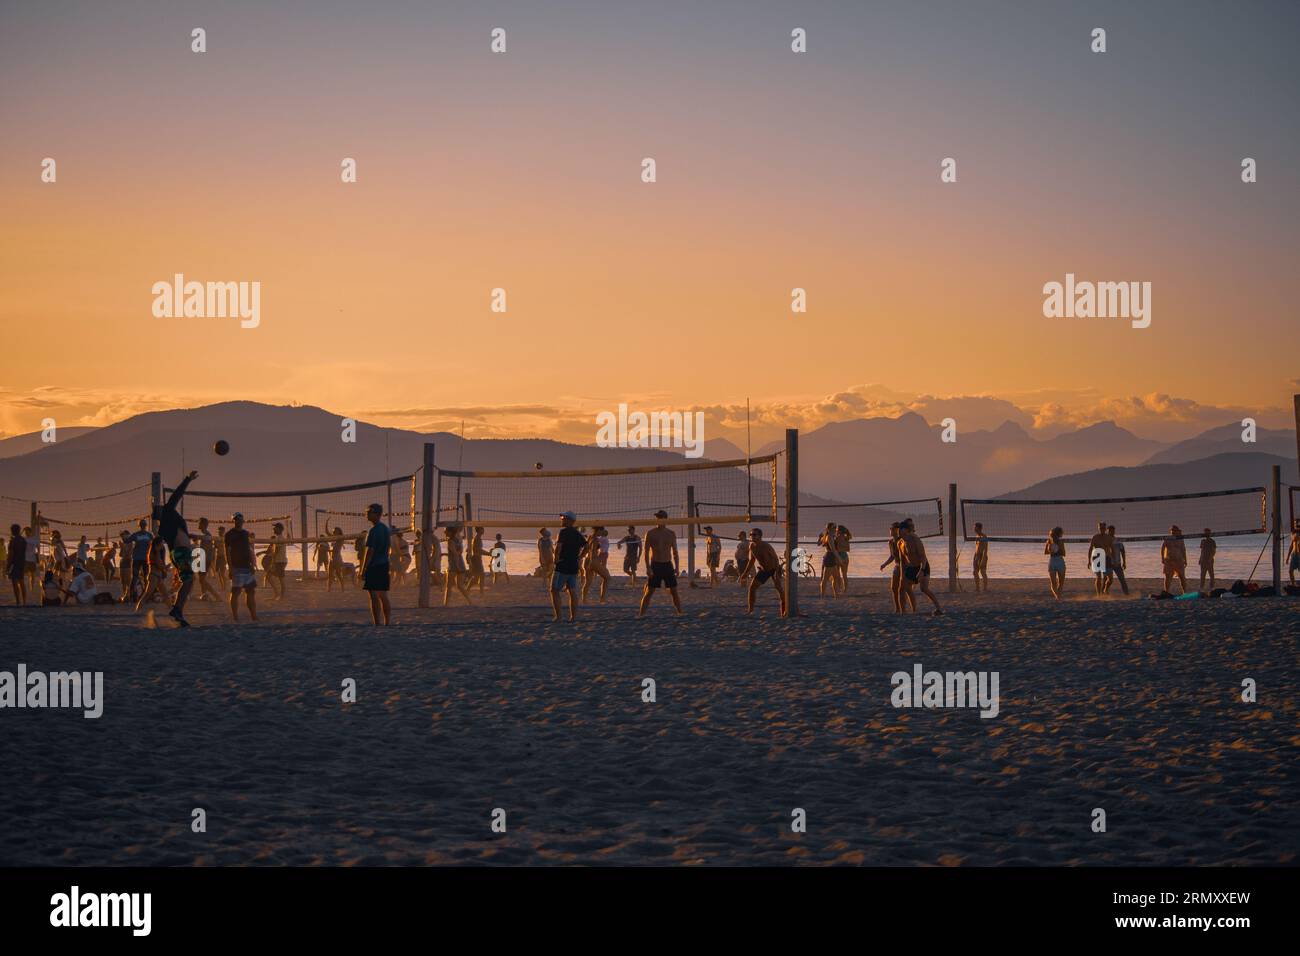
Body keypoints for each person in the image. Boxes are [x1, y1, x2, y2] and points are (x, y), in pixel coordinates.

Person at [153, 469, 200, 625]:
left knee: (189, 580)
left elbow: (176, 536)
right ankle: (177, 609)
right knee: (188, 580)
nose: (160, 507)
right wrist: (188, 479)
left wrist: (189, 536)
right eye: (158, 508)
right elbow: (177, 494)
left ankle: (178, 609)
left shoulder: (164, 527)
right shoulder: (167, 512)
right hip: (180, 553)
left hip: (178, 553)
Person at [639, 510, 682, 617]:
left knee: (674, 591)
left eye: (661, 517)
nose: (659, 519)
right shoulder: (650, 533)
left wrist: (677, 568)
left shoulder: (671, 534)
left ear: (665, 519)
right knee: (649, 591)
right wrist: (648, 568)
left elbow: (675, 552)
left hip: (667, 564)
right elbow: (646, 552)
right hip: (656, 565)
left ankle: (680, 613)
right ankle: (641, 614)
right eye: (657, 517)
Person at [738, 527, 786, 615]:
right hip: (764, 570)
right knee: (752, 588)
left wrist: (776, 574)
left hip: (774, 568)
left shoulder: (766, 546)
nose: (752, 536)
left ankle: (785, 609)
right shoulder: (751, 546)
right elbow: (752, 561)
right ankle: (750, 610)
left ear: (760, 536)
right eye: (751, 534)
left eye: (754, 535)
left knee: (779, 588)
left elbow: (775, 559)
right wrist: (745, 573)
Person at [898, 518, 941, 615]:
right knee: (904, 587)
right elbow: (902, 561)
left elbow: (923, 557)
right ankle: (907, 611)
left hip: (922, 565)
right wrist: (902, 574)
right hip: (911, 567)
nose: (900, 532)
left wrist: (922, 570)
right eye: (899, 530)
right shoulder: (900, 543)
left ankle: (938, 608)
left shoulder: (915, 539)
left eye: (902, 529)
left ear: (906, 530)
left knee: (924, 589)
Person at [549, 512, 585, 621]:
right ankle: (573, 617)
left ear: (569, 520)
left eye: (563, 518)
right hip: (573, 566)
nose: (561, 519)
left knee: (554, 590)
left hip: (563, 565)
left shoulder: (563, 532)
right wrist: (579, 557)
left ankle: (558, 617)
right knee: (572, 591)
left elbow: (558, 547)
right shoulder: (578, 534)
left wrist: (555, 559)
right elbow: (587, 546)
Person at [360, 503, 391, 625]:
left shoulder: (373, 531)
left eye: (369, 512)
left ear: (376, 514)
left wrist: (363, 569)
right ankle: (387, 623)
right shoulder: (385, 529)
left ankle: (377, 623)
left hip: (374, 566)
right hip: (384, 564)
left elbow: (370, 551)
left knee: (373, 595)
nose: (366, 514)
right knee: (383, 595)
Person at [224, 512, 258, 622]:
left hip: (247, 567)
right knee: (236, 592)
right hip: (236, 568)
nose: (237, 521)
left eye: (239, 519)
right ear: (233, 521)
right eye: (235, 519)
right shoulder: (229, 534)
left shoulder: (245, 533)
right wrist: (230, 568)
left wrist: (253, 564)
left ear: (242, 521)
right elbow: (227, 552)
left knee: (251, 592)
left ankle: (253, 616)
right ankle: (235, 617)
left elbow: (249, 550)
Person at [442, 525, 473, 606]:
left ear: (451, 532)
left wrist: (457, 566)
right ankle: (470, 601)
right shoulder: (459, 540)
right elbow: (460, 552)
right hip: (461, 563)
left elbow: (455, 554)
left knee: (449, 586)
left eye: (446, 531)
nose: (445, 532)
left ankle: (446, 604)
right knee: (460, 586)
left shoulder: (450, 541)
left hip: (454, 565)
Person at [193, 517, 221, 602]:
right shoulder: (205, 535)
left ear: (204, 525)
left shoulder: (207, 535)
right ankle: (204, 594)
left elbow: (207, 549)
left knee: (202, 579)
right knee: (202, 579)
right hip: (204, 559)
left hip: (205, 559)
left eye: (200, 523)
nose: (198, 525)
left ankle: (216, 596)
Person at [881, 522, 907, 612]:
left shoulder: (903, 540)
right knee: (893, 588)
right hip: (897, 566)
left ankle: (904, 608)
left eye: (892, 528)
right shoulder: (891, 542)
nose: (890, 530)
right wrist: (884, 564)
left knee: (903, 589)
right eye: (890, 529)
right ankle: (897, 608)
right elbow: (892, 556)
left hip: (905, 566)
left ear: (897, 530)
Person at [581, 526, 611, 604]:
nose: (602, 533)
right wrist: (592, 562)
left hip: (587, 560)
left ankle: (584, 599)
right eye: (602, 531)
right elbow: (593, 551)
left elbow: (585, 549)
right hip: (593, 561)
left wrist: (580, 558)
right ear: (598, 530)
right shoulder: (595, 539)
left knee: (588, 582)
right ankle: (602, 599)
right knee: (607, 578)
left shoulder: (590, 537)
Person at [126, 519, 152, 604]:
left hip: (137, 558)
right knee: (146, 578)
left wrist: (123, 536)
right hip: (145, 559)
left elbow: (126, 541)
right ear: (146, 526)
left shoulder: (136, 534)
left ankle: (132, 596)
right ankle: (146, 596)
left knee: (135, 577)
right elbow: (155, 543)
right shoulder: (149, 535)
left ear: (139, 526)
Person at [1102, 524, 1129, 595]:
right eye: (1110, 531)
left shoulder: (1118, 541)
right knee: (1107, 579)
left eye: (1112, 531)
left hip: (1117, 563)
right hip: (1107, 563)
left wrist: (1124, 562)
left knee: (1122, 579)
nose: (1111, 532)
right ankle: (1104, 592)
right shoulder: (1105, 541)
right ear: (1107, 531)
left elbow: (1122, 551)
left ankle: (1126, 594)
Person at [1161, 525, 1189, 594]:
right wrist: (1162, 558)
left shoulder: (1180, 539)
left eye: (1174, 530)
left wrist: (1185, 560)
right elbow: (1162, 548)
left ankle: (1184, 592)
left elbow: (1183, 550)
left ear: (1177, 531)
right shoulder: (1167, 538)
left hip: (1179, 560)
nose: (1173, 532)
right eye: (1172, 530)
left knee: (1182, 577)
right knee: (1168, 577)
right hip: (1169, 560)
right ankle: (1166, 591)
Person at [265, 522, 288, 600]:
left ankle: (281, 596)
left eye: (275, 527)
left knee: (281, 579)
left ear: (279, 529)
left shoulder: (279, 538)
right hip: (279, 561)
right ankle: (277, 594)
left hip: (280, 561)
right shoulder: (278, 538)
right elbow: (274, 552)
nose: (273, 529)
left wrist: (272, 563)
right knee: (269, 576)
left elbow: (276, 552)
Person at [818, 522, 842, 598]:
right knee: (825, 578)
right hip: (829, 558)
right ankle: (822, 596)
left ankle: (836, 595)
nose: (835, 529)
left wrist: (820, 538)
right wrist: (839, 559)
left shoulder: (830, 536)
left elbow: (819, 543)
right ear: (829, 529)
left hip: (831, 557)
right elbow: (833, 549)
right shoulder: (829, 537)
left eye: (836, 527)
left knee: (835, 577)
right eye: (834, 527)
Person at [1088, 521, 1112, 597]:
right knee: (1098, 577)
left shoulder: (1108, 537)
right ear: (1098, 528)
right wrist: (1089, 561)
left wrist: (1113, 558)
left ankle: (1105, 589)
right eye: (1100, 528)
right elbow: (1090, 549)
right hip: (1097, 557)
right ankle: (1099, 594)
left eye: (1103, 528)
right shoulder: (1095, 537)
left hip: (1107, 558)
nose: (1102, 529)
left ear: (1105, 529)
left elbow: (1113, 548)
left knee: (1110, 579)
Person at [7, 524, 27, 606]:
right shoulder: (23, 540)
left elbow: (11, 554)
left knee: (15, 583)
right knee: (22, 582)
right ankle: (24, 601)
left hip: (14, 563)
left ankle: (18, 601)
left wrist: (8, 566)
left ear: (12, 531)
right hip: (22, 562)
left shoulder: (13, 541)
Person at [1045, 526, 1066, 599]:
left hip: (1052, 561)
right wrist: (1054, 550)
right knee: (1060, 583)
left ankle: (1058, 596)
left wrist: (1053, 549)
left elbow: (1045, 552)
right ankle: (1058, 596)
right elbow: (1064, 554)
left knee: (1054, 583)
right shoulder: (1058, 542)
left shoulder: (1049, 541)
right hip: (1059, 561)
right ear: (1059, 534)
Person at [327, 526, 349, 591]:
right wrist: (326, 524)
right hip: (332, 559)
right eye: (333, 531)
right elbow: (328, 533)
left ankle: (343, 588)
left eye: (335, 531)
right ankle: (329, 589)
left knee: (338, 574)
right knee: (330, 575)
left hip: (337, 559)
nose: (333, 532)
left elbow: (335, 550)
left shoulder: (341, 539)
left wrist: (329, 550)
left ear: (339, 532)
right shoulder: (335, 539)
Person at [972, 522, 989, 592]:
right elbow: (977, 547)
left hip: (982, 556)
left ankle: (985, 588)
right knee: (975, 572)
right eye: (974, 527)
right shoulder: (977, 536)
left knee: (983, 572)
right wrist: (975, 557)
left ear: (979, 528)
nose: (974, 528)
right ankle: (977, 588)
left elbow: (985, 548)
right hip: (976, 555)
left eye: (975, 527)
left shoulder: (984, 536)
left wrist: (983, 559)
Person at [835, 525, 852, 593]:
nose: (836, 531)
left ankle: (839, 588)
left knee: (838, 574)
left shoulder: (837, 538)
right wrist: (842, 548)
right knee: (844, 574)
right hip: (845, 556)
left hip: (839, 557)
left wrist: (839, 549)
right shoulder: (846, 538)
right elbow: (848, 549)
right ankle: (845, 589)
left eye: (836, 530)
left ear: (839, 531)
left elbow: (835, 549)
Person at [1289, 519, 1300, 587]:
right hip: (1294, 554)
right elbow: (1291, 545)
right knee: (1290, 571)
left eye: (1297, 523)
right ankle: (1293, 584)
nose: (1296, 525)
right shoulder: (1293, 533)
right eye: (1295, 523)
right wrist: (1287, 557)